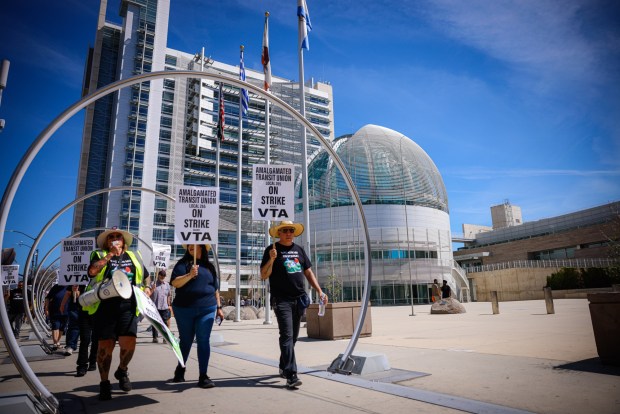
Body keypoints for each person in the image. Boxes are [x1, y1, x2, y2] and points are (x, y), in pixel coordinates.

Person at [260, 220, 327, 389]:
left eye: (291, 230)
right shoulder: (271, 250)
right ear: (279, 233)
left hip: (298, 299)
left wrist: (320, 291)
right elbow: (263, 275)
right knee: (287, 335)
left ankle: (284, 365)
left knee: (293, 337)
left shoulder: (299, 250)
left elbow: (308, 272)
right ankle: (291, 375)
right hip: (281, 300)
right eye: (284, 230)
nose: (288, 232)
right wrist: (271, 260)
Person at [85, 227, 149, 400]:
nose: (114, 239)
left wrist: (148, 288)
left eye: (117, 236)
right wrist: (109, 255)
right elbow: (92, 272)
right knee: (105, 347)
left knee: (129, 344)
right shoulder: (98, 255)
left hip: (128, 306)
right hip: (105, 308)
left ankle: (122, 370)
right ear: (106, 242)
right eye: (111, 237)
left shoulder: (134, 257)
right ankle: (104, 383)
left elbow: (145, 276)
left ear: (124, 241)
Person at [170, 244, 223, 389]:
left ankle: (203, 376)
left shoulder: (210, 267)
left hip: (207, 308)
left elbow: (215, 289)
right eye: (189, 245)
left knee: (203, 340)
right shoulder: (182, 264)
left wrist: (219, 307)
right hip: (184, 309)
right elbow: (175, 283)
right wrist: (190, 275)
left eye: (195, 245)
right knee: (185, 341)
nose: (191, 247)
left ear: (202, 248)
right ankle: (181, 368)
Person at [150, 269, 172, 343]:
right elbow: (149, 294)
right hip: (155, 307)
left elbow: (169, 295)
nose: (162, 276)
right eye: (161, 275)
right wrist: (152, 289)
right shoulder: (153, 283)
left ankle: (165, 337)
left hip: (164, 307)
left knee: (165, 323)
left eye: (164, 275)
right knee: (155, 323)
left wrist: (169, 304)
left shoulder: (167, 285)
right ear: (158, 275)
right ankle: (155, 337)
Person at [45, 283, 69, 350]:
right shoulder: (56, 287)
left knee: (62, 327)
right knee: (55, 325)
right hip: (54, 310)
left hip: (66, 311)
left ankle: (57, 341)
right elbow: (48, 298)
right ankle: (55, 343)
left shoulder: (70, 286)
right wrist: (46, 308)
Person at [60, 285, 81, 356]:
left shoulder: (90, 281)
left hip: (88, 306)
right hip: (74, 308)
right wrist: (62, 305)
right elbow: (68, 293)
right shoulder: (73, 280)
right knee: (74, 327)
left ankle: (81, 346)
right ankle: (70, 346)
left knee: (86, 329)